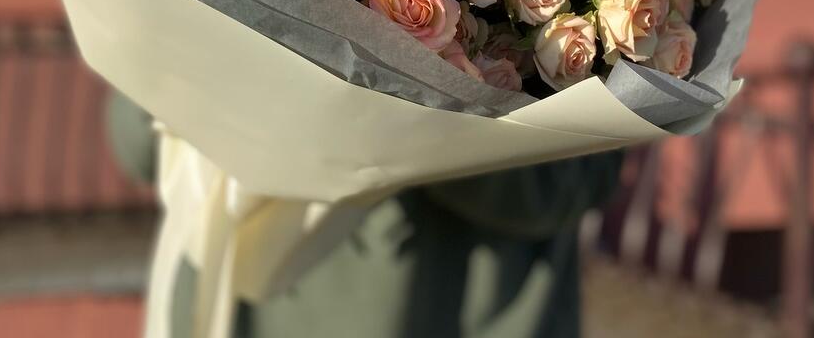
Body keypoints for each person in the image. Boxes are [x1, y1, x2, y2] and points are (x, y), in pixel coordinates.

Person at [107, 92, 622, 338]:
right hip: (241, 314)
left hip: (460, 313)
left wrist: (406, 102)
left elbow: (574, 179)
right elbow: (135, 142)